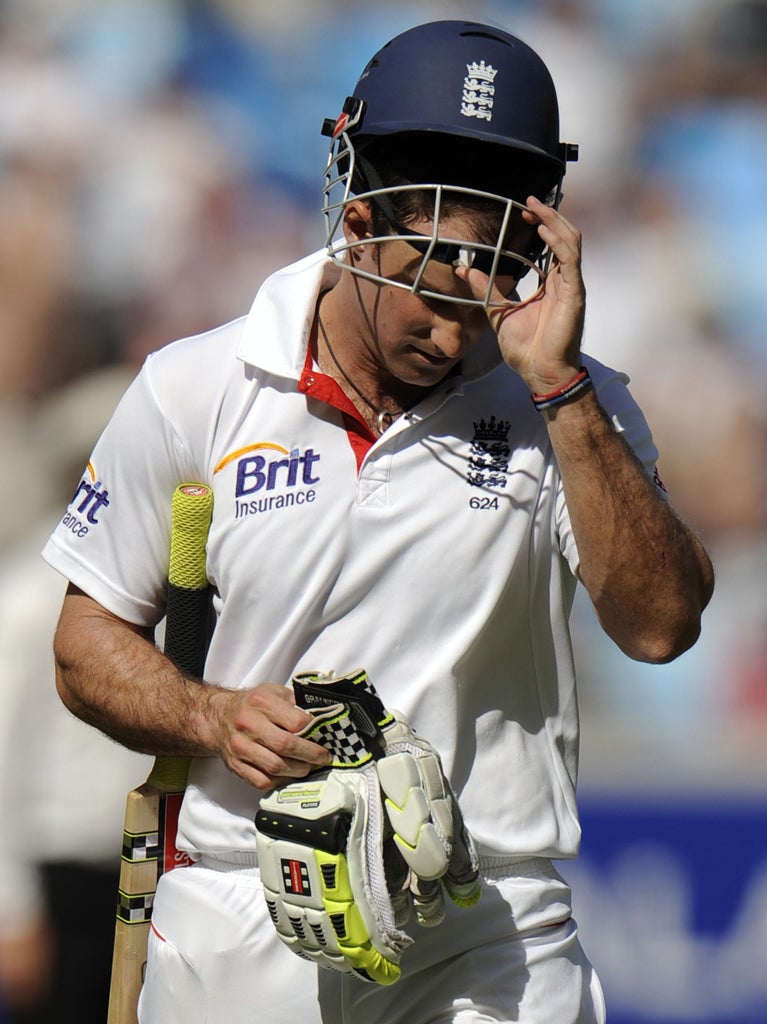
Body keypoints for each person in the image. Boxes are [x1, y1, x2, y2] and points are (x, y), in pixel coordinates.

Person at [43, 20, 714, 1024]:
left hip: (487, 924)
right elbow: (84, 643)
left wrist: (563, 390)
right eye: (427, 290)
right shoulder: (196, 387)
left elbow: (661, 625)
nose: (452, 333)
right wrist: (213, 716)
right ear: (356, 220)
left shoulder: (574, 403)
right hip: (245, 904)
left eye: (484, 293)